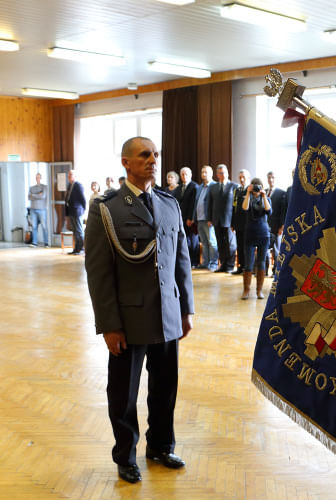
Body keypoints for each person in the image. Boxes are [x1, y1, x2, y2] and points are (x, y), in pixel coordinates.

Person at [84, 136, 194, 484]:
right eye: (144, 155)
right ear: (126, 163)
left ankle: (161, 446)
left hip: (167, 315)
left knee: (165, 387)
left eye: (155, 154)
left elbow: (181, 260)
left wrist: (186, 308)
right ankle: (125, 455)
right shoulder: (107, 208)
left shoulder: (168, 203)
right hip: (128, 320)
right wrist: (109, 325)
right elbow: (99, 273)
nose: (152, 160)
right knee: (124, 394)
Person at [241, 177, 271, 300]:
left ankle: (259, 291)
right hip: (250, 234)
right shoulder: (247, 198)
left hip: (263, 235)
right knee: (248, 263)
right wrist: (247, 193)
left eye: (258, 186)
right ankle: (246, 290)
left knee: (261, 262)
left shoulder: (266, 198)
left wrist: (264, 196)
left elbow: (269, 211)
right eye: (254, 186)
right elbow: (244, 208)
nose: (256, 189)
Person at [207, 164, 237, 273]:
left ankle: (230, 265)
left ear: (228, 173)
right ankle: (223, 264)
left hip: (229, 220)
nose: (222, 174)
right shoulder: (213, 187)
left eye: (224, 172)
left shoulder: (234, 186)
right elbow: (210, 203)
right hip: (216, 219)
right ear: (217, 175)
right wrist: (209, 218)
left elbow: (235, 206)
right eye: (220, 173)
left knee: (230, 244)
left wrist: (235, 222)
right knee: (220, 243)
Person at [194, 165, 218, 270]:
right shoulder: (199, 187)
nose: (204, 174)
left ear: (211, 174)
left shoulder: (214, 186)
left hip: (209, 220)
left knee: (212, 242)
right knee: (204, 242)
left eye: (206, 172)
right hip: (199, 218)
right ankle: (206, 262)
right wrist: (194, 217)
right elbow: (196, 203)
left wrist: (211, 218)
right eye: (202, 172)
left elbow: (215, 204)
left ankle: (213, 263)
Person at [177, 167, 200, 268]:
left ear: (190, 175)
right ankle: (187, 261)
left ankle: (194, 261)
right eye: (182, 174)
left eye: (186, 174)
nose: (184, 176)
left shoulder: (194, 186)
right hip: (181, 218)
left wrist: (191, 218)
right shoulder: (179, 187)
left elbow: (194, 204)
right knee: (184, 241)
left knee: (192, 241)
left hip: (190, 219)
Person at [266, 171, 287, 274]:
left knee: (277, 250)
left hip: (277, 226)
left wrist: (282, 226)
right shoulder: (264, 192)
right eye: (269, 178)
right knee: (265, 250)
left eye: (273, 178)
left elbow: (283, 211)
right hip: (265, 227)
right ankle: (264, 270)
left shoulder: (282, 192)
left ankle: (276, 271)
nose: (271, 180)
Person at [231, 169, 250, 275]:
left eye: (244, 177)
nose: (242, 179)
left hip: (247, 223)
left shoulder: (250, 190)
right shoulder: (237, 190)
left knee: (246, 246)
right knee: (239, 245)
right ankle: (240, 266)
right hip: (238, 223)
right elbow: (234, 207)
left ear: (248, 178)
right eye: (240, 177)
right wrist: (233, 223)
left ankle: (247, 267)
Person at [64, 170, 86, 255]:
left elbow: (82, 199)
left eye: (71, 174)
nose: (69, 176)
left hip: (77, 211)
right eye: (68, 174)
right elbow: (67, 199)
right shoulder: (69, 185)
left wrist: (83, 210)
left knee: (79, 231)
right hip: (71, 211)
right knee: (75, 231)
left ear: (75, 176)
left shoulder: (78, 185)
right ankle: (76, 249)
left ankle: (80, 249)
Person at [28, 173, 48, 247]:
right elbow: (29, 197)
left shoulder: (44, 187)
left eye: (39, 177)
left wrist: (33, 195)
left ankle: (46, 243)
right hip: (33, 209)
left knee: (44, 226)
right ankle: (34, 243)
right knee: (34, 226)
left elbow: (43, 196)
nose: (37, 179)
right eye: (36, 177)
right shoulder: (31, 188)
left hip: (42, 209)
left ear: (41, 178)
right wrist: (37, 194)